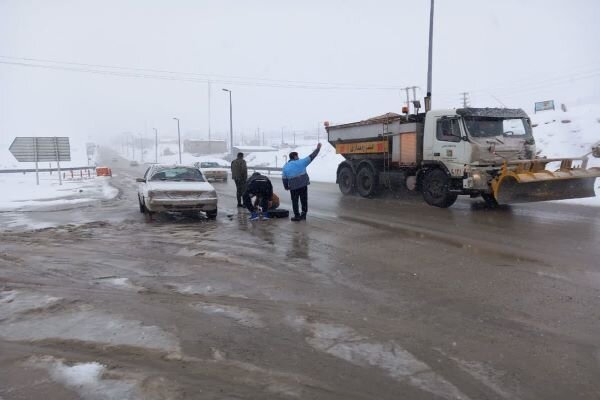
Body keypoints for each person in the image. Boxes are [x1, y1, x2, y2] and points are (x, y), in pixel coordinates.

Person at [282, 143, 321, 221]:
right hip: (303, 185)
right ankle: (303, 214)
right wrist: (318, 149)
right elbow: (312, 156)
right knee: (304, 200)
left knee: (295, 201)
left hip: (293, 187)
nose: (298, 157)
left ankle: (297, 215)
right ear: (295, 157)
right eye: (297, 156)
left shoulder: (285, 166)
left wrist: (286, 186)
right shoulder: (301, 162)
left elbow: (284, 178)